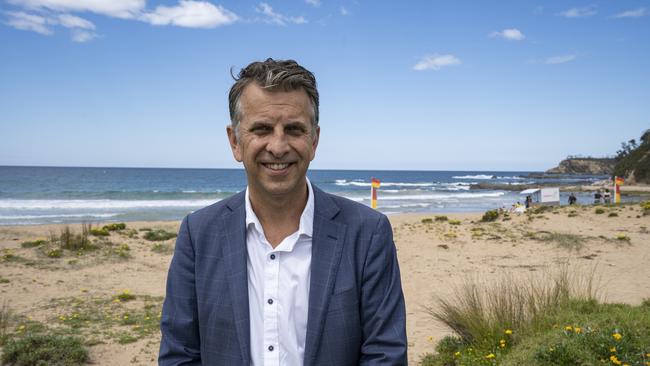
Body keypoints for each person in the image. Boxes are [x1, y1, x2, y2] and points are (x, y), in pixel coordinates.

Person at [159, 59, 408, 365]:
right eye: (262, 129)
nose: (278, 147)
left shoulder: (368, 233)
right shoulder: (198, 234)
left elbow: (386, 355)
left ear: (314, 140)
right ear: (235, 141)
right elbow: (179, 355)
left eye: (293, 129)